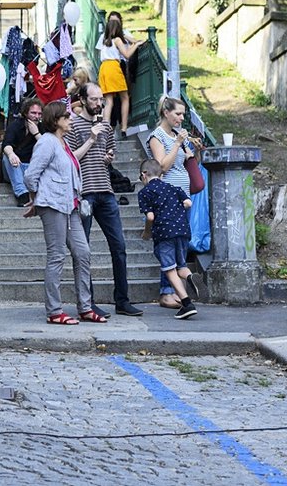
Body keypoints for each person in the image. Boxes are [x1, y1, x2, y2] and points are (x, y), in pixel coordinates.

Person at [65, 84, 142, 318]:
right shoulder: (72, 125)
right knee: (84, 250)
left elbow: (110, 152)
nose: (99, 103)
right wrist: (91, 138)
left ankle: (122, 300)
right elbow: (70, 159)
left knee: (119, 246)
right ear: (82, 99)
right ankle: (89, 304)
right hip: (84, 193)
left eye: (101, 99)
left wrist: (109, 157)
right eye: (94, 99)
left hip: (106, 191)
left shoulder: (106, 126)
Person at [22, 101, 101, 326]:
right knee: (56, 256)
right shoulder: (47, 142)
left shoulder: (62, 142)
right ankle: (54, 310)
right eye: (67, 117)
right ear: (56, 120)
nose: (71, 120)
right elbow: (30, 175)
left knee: (83, 252)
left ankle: (85, 306)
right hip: (54, 206)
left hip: (70, 207)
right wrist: (37, 198)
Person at [147, 96, 199, 308]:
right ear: (166, 113)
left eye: (183, 114)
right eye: (177, 114)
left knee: (180, 244)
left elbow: (184, 160)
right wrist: (177, 144)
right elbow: (162, 167)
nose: (181, 118)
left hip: (182, 197)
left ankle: (179, 291)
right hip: (166, 200)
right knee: (167, 245)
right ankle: (166, 292)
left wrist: (189, 148)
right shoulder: (157, 136)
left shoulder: (178, 134)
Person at [138, 159, 201, 319]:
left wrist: (147, 233)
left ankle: (186, 303)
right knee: (181, 265)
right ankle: (190, 276)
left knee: (169, 269)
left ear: (144, 175)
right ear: (161, 174)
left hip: (164, 233)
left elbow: (150, 217)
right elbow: (188, 203)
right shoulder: (174, 188)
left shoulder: (145, 193)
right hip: (183, 230)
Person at [97, 11, 144, 136]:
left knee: (109, 100)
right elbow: (127, 55)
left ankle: (105, 128)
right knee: (124, 97)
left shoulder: (104, 39)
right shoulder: (117, 39)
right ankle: (123, 128)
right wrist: (136, 44)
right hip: (113, 67)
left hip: (103, 68)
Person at [1, 98, 44, 207]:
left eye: (39, 113)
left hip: (32, 168)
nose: (36, 116)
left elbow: (48, 148)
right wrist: (11, 154)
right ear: (25, 113)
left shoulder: (43, 128)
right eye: (33, 113)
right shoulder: (15, 126)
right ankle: (22, 194)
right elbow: (6, 145)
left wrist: (36, 133)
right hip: (16, 166)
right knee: (8, 157)